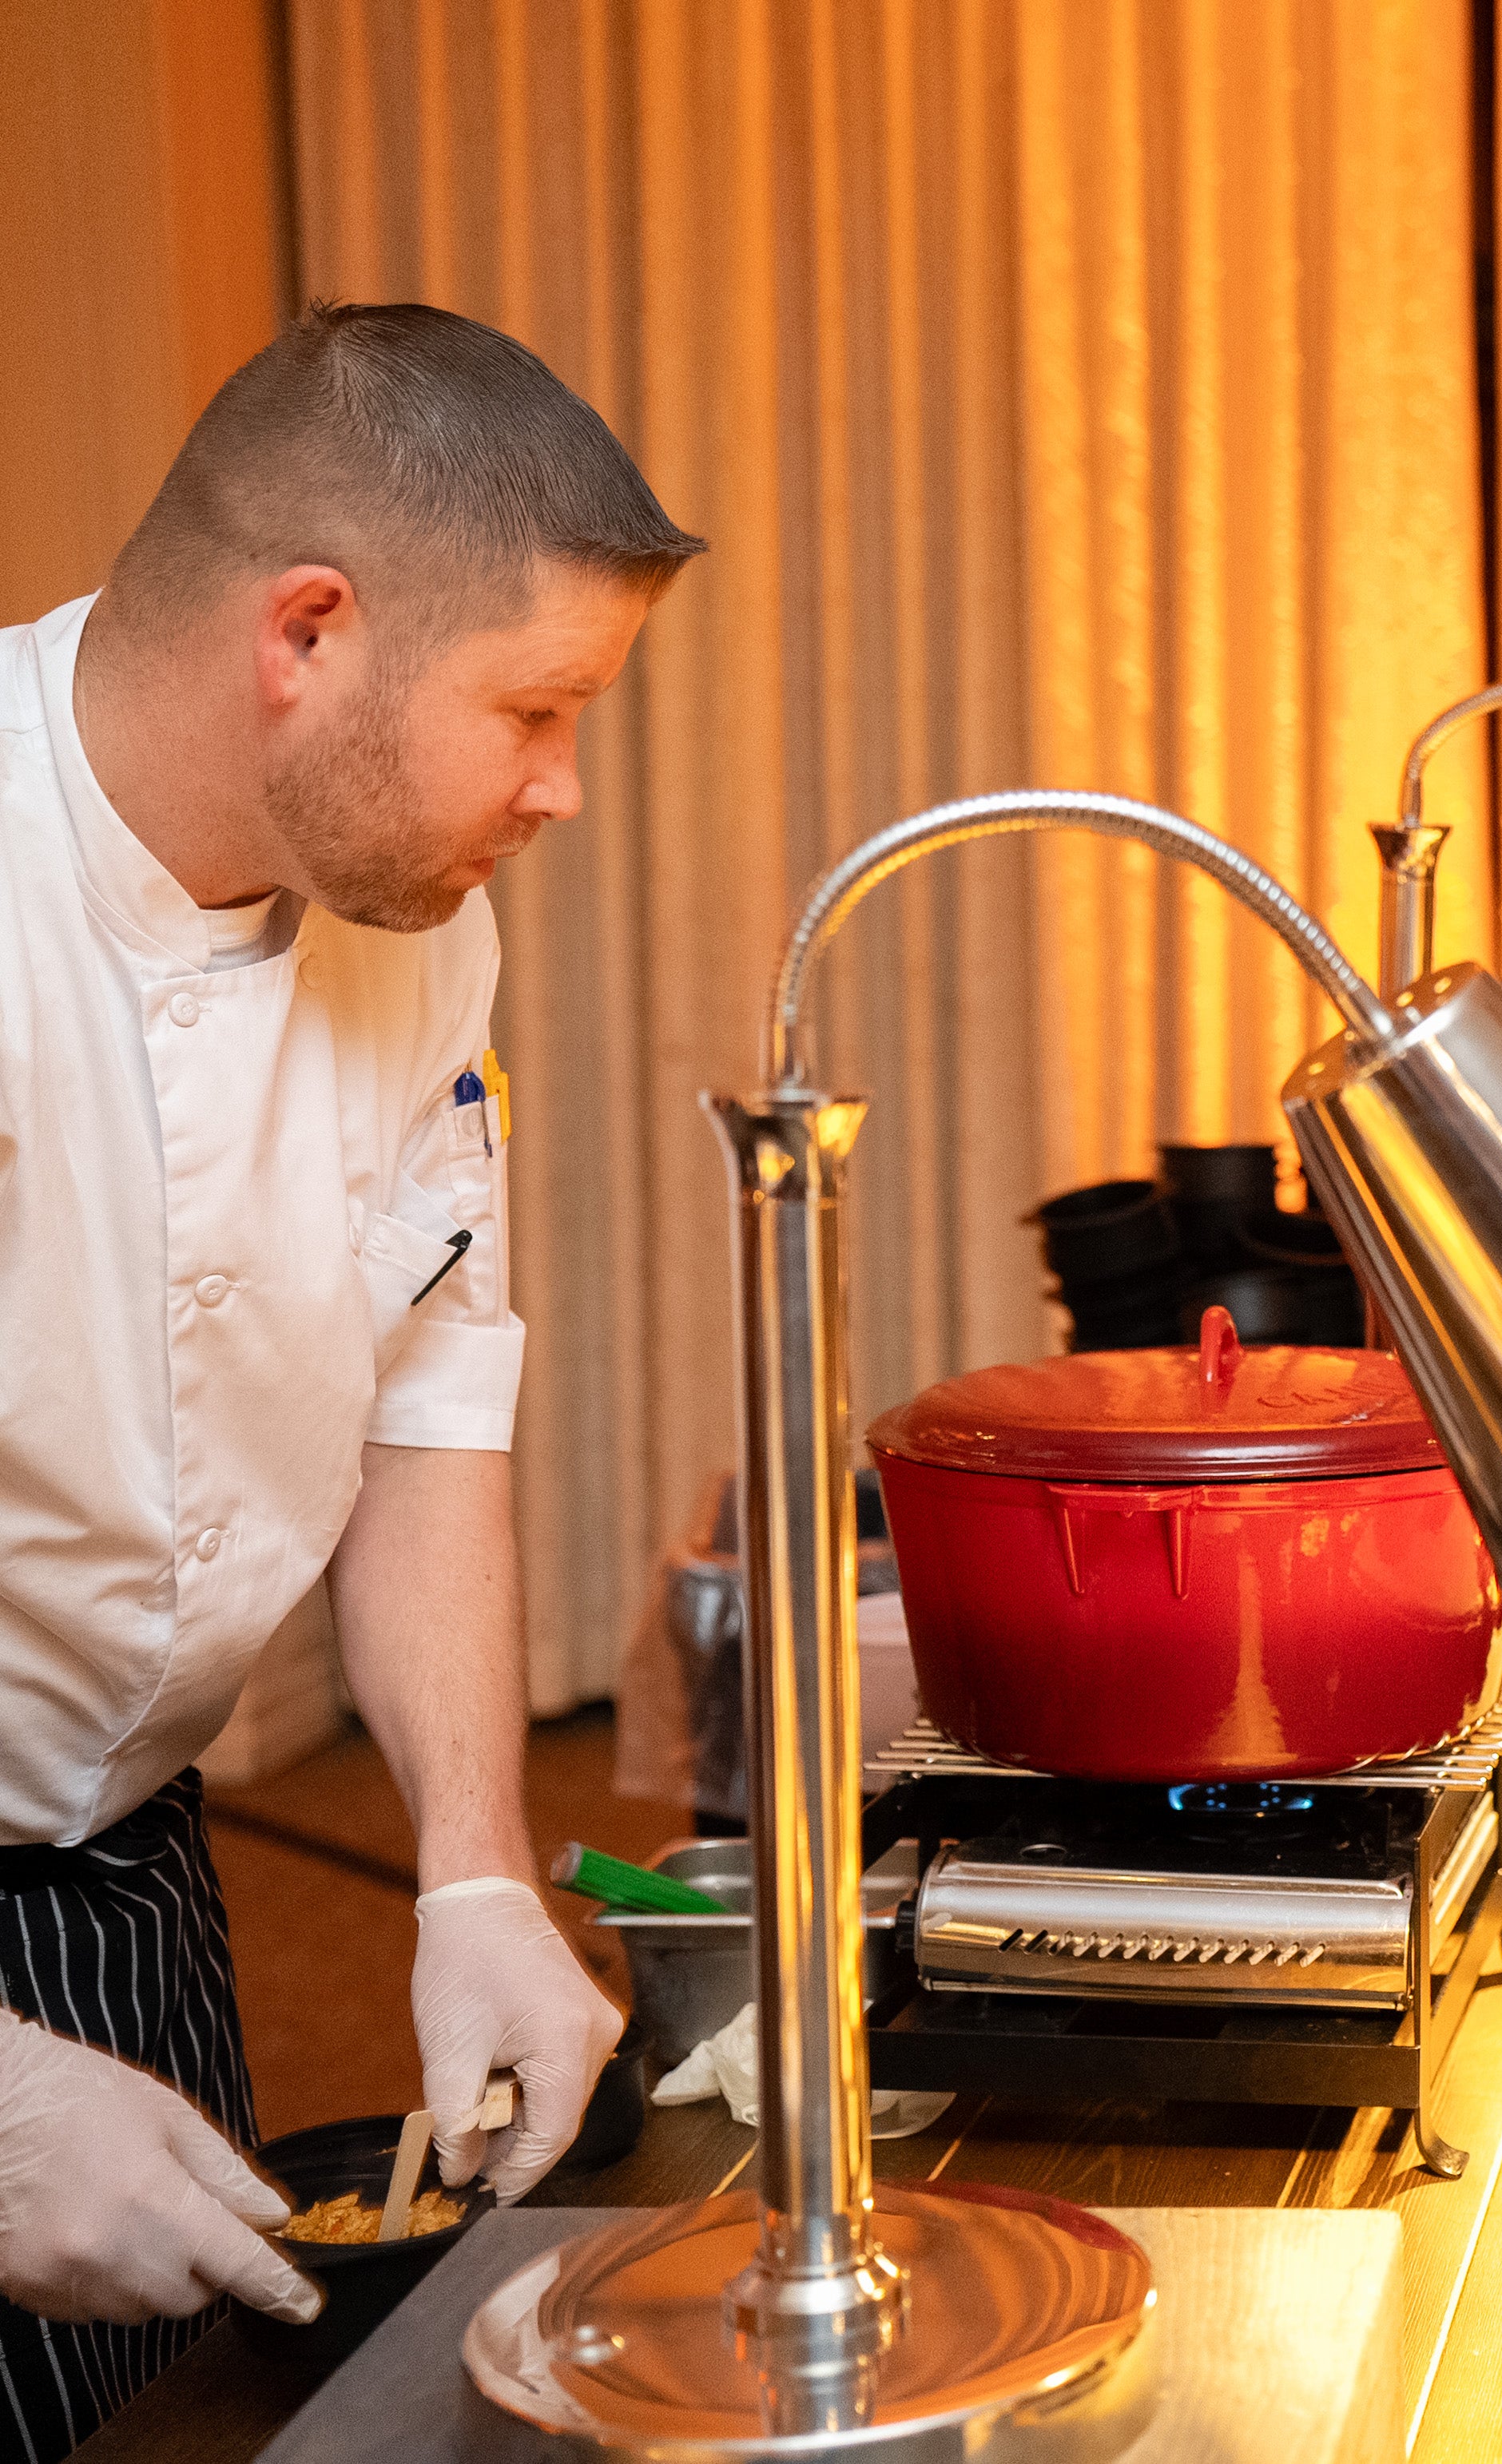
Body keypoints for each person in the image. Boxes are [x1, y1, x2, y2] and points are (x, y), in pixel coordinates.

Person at [0, 301, 693, 2454]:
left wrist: (477, 1862)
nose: (562, 786)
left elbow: (428, 1382)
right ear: (309, 630)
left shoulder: (419, 928)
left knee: (179, 2427)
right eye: (535, 709)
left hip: (123, 1862)